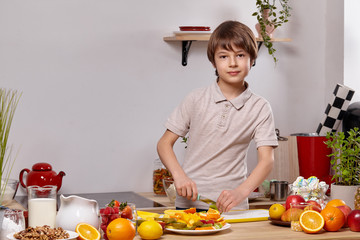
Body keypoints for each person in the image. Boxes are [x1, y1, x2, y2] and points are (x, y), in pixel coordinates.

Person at [157, 20, 278, 213]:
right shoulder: (195, 99)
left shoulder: (260, 107)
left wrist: (240, 193)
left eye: (240, 55)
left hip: (232, 207)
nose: (232, 63)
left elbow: (267, 160)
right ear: (213, 61)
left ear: (252, 59)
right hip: (189, 205)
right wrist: (179, 176)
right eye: (223, 56)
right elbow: (164, 144)